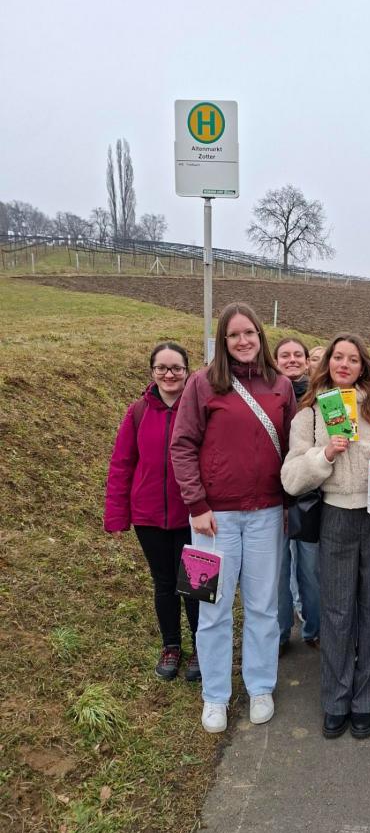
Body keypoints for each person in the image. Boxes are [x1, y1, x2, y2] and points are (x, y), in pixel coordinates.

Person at [281, 334, 370, 740]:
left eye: (353, 359)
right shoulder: (311, 413)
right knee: (337, 610)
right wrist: (324, 455)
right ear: (328, 362)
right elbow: (291, 478)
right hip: (337, 515)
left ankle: (366, 700)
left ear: (363, 366)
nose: (344, 364)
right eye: (338, 357)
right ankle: (335, 698)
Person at [171, 303, 295, 734]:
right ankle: (215, 695)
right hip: (213, 519)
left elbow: (292, 448)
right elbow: (182, 445)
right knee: (212, 608)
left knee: (263, 607)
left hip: (266, 514)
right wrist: (196, 505)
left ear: (261, 336)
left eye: (250, 333)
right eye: (234, 334)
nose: (243, 341)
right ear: (223, 341)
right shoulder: (202, 383)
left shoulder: (280, 385)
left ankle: (260, 687)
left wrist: (287, 504)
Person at [105, 342, 198, 682]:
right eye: (162, 368)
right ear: (152, 372)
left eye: (176, 368)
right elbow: (122, 463)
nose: (169, 374)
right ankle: (171, 646)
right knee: (165, 583)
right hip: (149, 517)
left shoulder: (199, 408)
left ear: (187, 371)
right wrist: (117, 514)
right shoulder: (138, 412)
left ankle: (201, 647)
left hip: (193, 516)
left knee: (194, 585)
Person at [273, 338, 320, 652]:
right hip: (271, 495)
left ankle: (314, 628)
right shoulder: (264, 395)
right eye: (284, 355)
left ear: (306, 360)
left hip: (309, 494)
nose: (291, 359)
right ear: (275, 361)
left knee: (312, 570)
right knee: (277, 571)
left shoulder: (321, 397)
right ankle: (279, 632)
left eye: (297, 355)